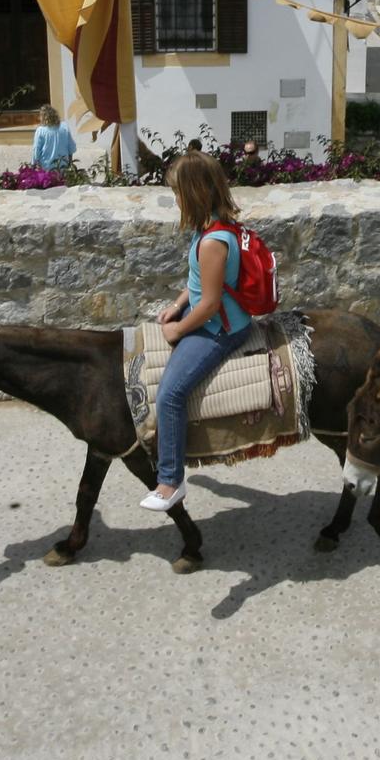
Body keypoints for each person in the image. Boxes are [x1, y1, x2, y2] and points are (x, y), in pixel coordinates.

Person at [144, 151, 256, 513]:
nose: (175, 199)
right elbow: (199, 284)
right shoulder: (212, 227)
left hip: (220, 329)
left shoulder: (212, 241)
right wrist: (178, 304)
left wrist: (177, 329)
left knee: (170, 395)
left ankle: (170, 481)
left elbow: (208, 304)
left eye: (177, 192)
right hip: (210, 312)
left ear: (193, 192)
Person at [30, 103, 76, 169]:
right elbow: (71, 147)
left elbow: (36, 149)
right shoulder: (64, 127)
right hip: (63, 165)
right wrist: (69, 163)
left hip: (46, 166)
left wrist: (33, 164)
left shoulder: (40, 130)